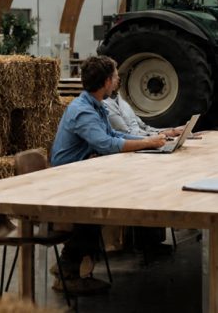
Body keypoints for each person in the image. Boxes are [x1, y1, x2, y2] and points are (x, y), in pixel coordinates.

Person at [49, 55, 166, 294]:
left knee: (105, 206)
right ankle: (68, 267)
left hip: (85, 172)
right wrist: (147, 144)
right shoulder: (82, 111)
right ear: (105, 81)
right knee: (99, 208)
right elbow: (106, 144)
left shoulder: (96, 105)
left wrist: (151, 140)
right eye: (114, 77)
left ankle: (72, 264)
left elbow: (112, 135)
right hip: (66, 178)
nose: (117, 80)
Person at [104, 90, 184, 137]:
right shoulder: (106, 104)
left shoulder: (121, 100)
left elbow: (144, 127)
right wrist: (163, 134)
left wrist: (172, 130)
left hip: (142, 139)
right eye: (115, 76)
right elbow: (126, 135)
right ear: (107, 80)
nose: (118, 78)